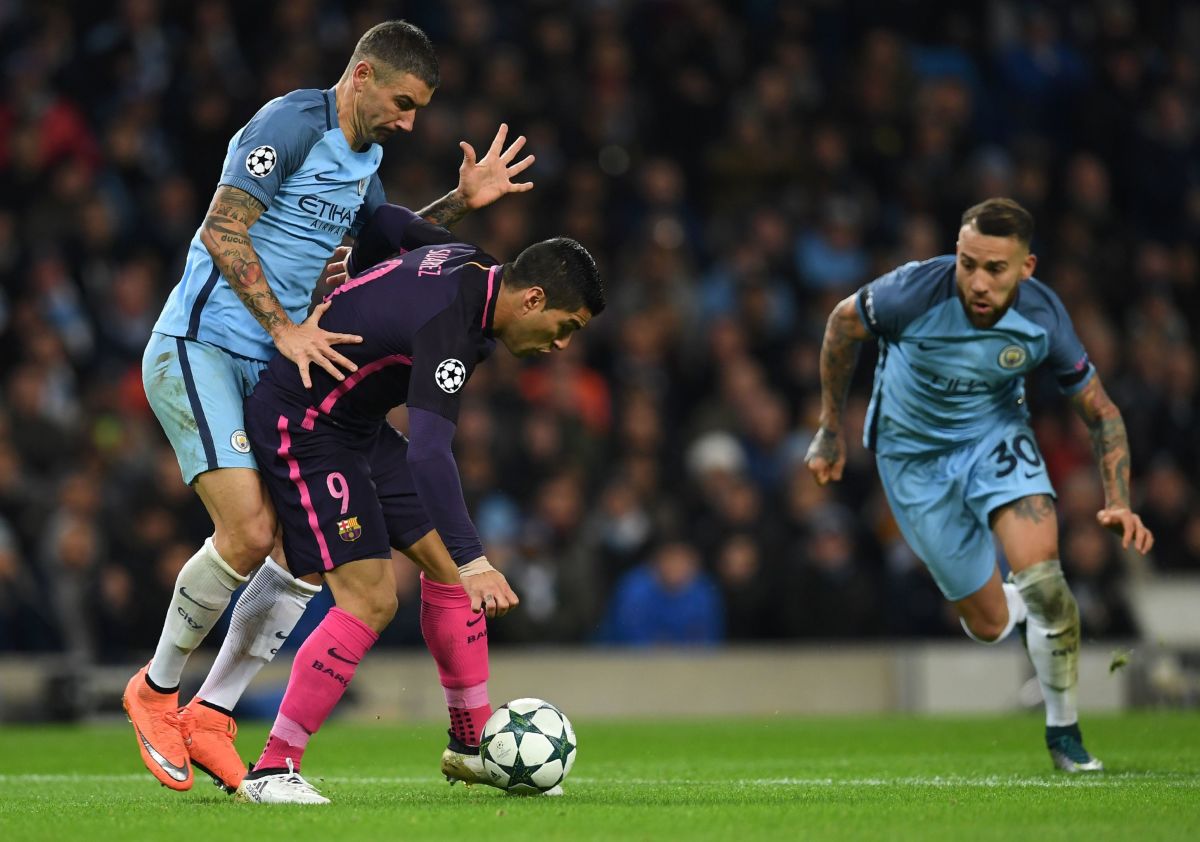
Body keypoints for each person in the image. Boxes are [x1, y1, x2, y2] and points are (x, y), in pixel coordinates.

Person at [124, 19, 536, 794]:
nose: (409, 123)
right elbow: (222, 229)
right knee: (247, 533)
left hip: (279, 364)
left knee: (301, 548)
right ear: (363, 76)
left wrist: (460, 203)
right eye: (403, 103)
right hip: (201, 347)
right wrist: (284, 327)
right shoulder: (291, 123)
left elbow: (390, 257)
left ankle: (213, 716)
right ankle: (154, 688)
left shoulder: (365, 160)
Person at [231, 229, 603, 803]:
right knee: (373, 599)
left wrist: (358, 264)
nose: (561, 345)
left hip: (358, 425)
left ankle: (471, 743)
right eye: (567, 326)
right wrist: (479, 559)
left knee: (449, 572)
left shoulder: (473, 262)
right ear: (532, 299)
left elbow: (385, 218)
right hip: (307, 425)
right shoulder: (449, 327)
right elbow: (429, 452)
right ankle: (272, 769)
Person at [805, 197, 1154, 772]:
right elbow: (842, 325)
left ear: (1026, 267)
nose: (978, 281)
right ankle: (1017, 609)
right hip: (912, 458)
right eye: (968, 263)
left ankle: (1065, 733)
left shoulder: (1042, 317)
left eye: (995, 268)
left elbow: (1101, 411)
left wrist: (1119, 501)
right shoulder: (911, 293)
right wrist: (828, 429)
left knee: (1046, 579)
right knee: (988, 625)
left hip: (996, 438)